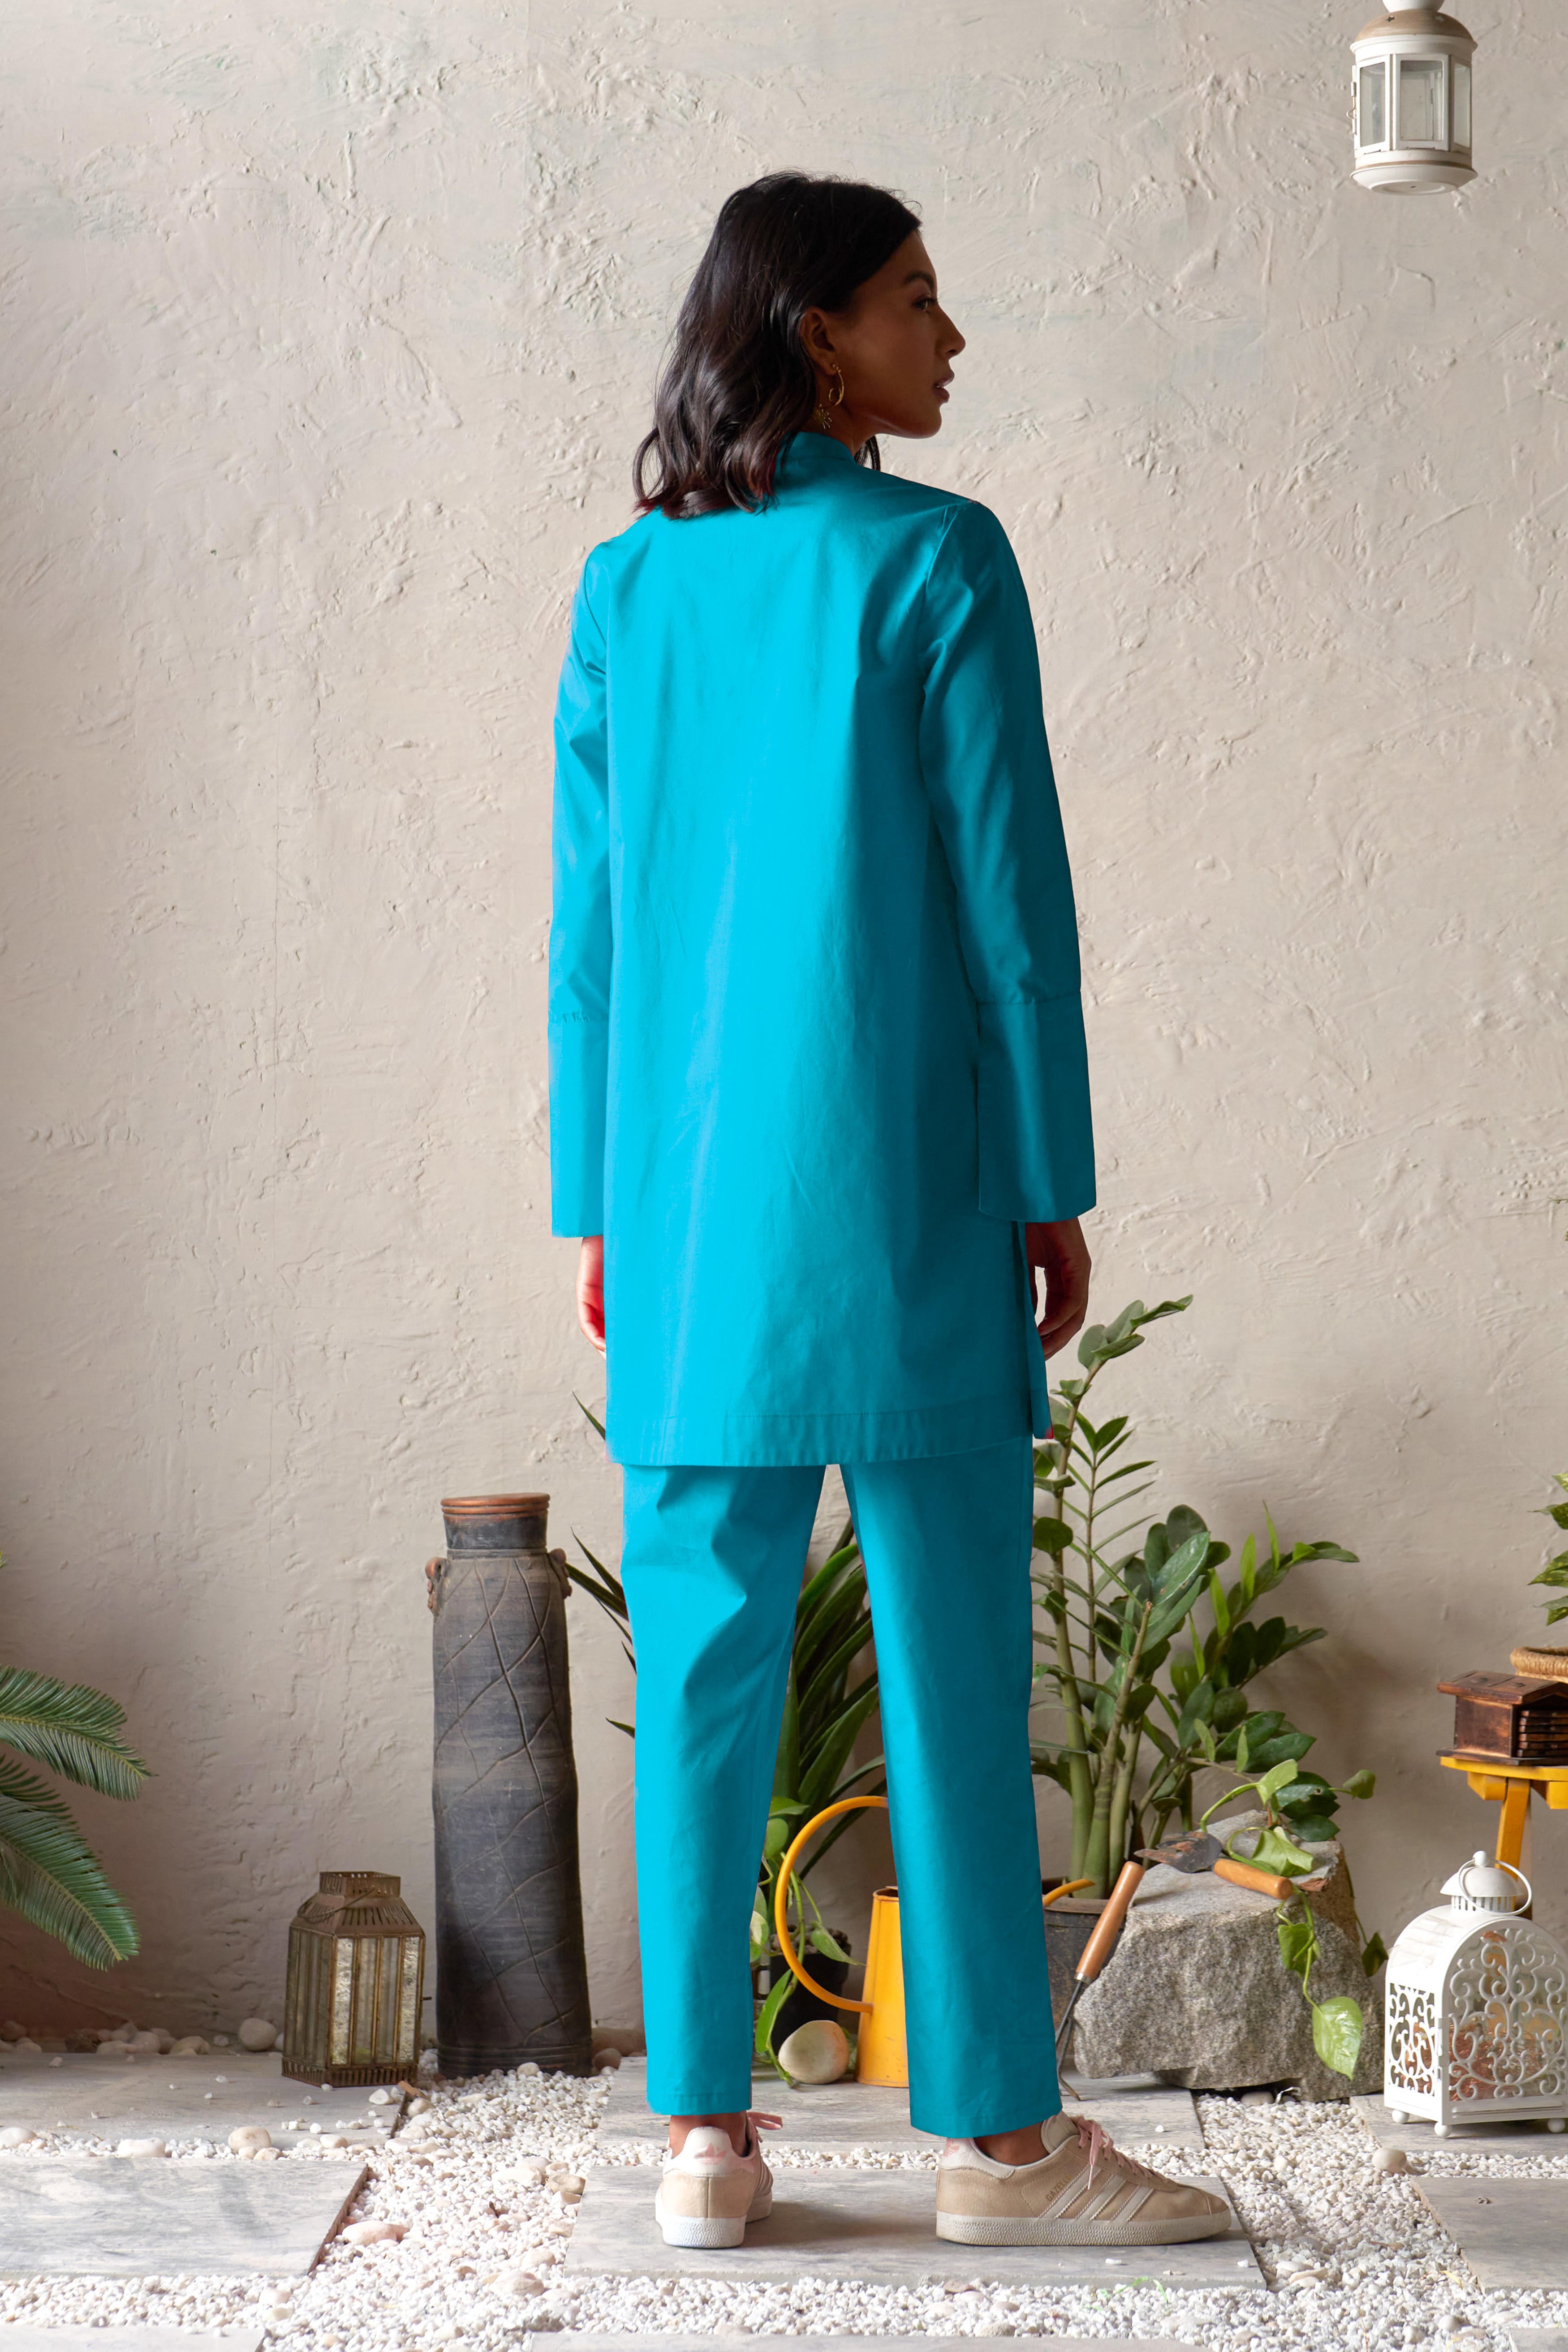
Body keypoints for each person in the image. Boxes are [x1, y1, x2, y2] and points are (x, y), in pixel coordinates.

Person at [549, 172, 1226, 2253]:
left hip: (684, 1219)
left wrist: (592, 1201)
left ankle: (702, 2137)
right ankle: (1003, 2151)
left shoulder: (626, 590)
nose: (950, 337)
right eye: (915, 299)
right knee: (948, 1661)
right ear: (817, 335)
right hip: (910, 1189)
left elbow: (591, 929)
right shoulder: (938, 559)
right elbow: (1011, 913)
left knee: (703, 1667)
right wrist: (1046, 1181)